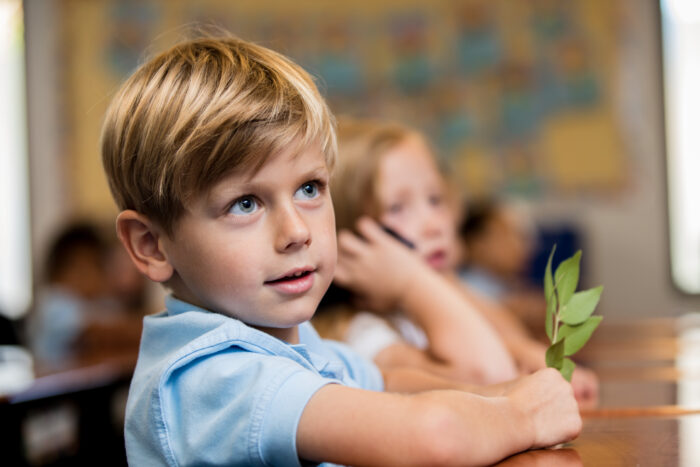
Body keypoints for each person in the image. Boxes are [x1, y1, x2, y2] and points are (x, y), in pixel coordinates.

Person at [101, 35, 581, 466]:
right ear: (151, 245)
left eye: (309, 189)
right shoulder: (212, 379)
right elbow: (434, 435)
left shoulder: (294, 340)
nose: (296, 231)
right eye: (244, 203)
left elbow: (388, 385)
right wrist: (522, 415)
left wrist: (507, 394)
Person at [323, 117, 598, 407]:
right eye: (397, 207)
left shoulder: (435, 295)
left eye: (435, 199)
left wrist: (534, 360)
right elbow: (486, 376)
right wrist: (412, 282)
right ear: (348, 241)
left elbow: (503, 334)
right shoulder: (364, 336)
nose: (434, 224)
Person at [28, 222, 142, 364]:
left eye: (96, 266)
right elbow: (97, 332)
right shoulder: (53, 302)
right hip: (52, 382)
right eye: (79, 268)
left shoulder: (101, 302)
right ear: (56, 272)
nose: (89, 276)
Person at [458, 198, 547, 337]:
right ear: (477, 243)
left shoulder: (507, 288)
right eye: (511, 235)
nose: (526, 246)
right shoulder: (464, 289)